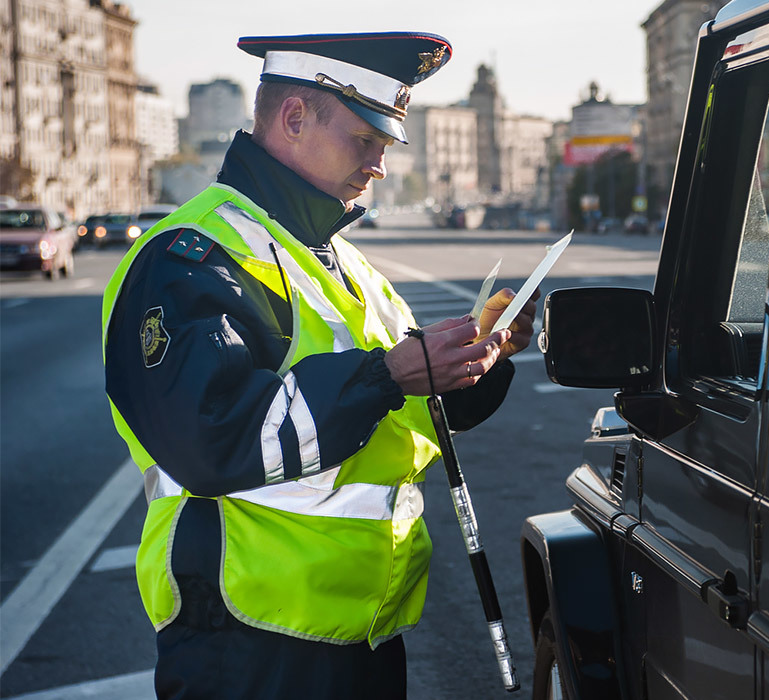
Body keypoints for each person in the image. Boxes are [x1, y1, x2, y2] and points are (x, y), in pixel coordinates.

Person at [101, 33, 539, 699]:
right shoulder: (192, 254)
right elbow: (214, 439)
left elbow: (410, 413)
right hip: (247, 637)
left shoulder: (338, 258)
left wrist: (480, 357)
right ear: (295, 118)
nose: (379, 167)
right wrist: (386, 375)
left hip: (357, 628)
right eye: (366, 140)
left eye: (386, 147)